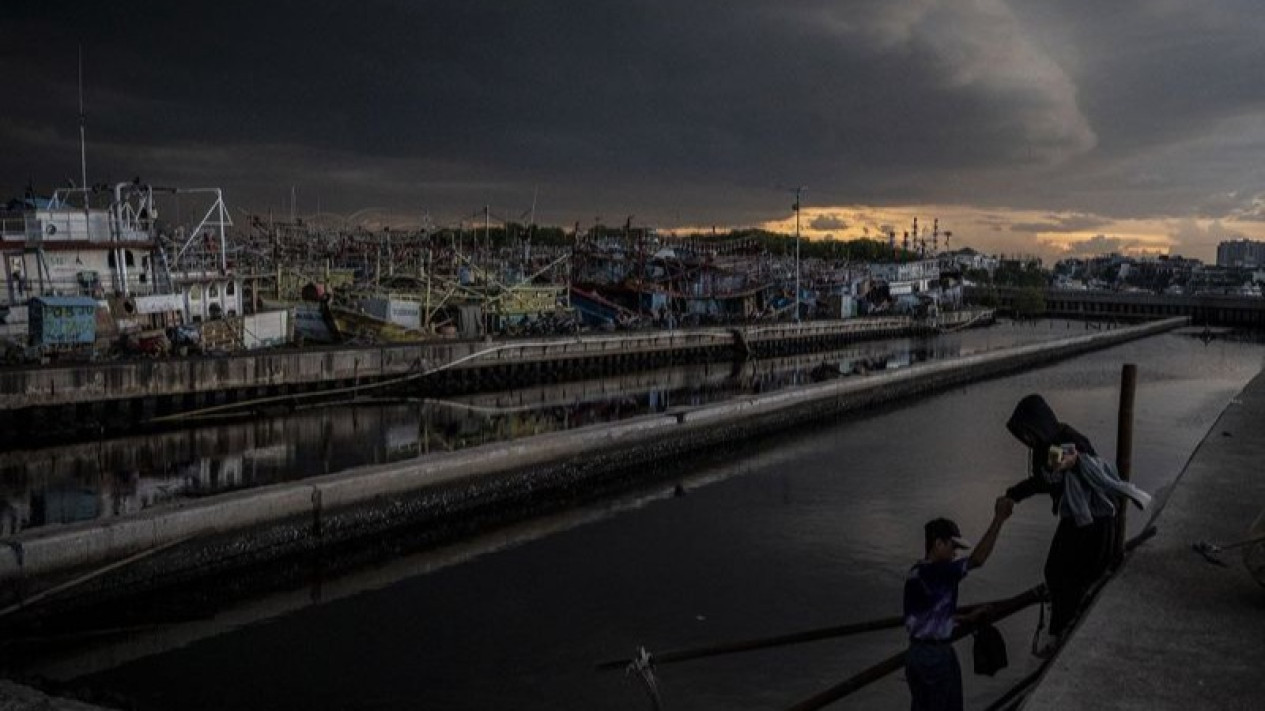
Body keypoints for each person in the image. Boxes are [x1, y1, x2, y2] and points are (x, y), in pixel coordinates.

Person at [1003, 393, 1148, 653]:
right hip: (1074, 520)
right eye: (1022, 435)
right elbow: (1043, 482)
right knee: (1056, 573)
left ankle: (1065, 629)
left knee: (1073, 576)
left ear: (1038, 425)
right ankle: (1061, 628)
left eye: (1027, 432)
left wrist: (1069, 460)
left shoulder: (1068, 439)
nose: (1025, 439)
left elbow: (1081, 462)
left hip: (1094, 521)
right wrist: (1013, 494)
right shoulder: (1041, 450)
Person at [904, 498, 1014, 711]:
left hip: (923, 652)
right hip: (932, 658)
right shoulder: (935, 572)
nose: (954, 553)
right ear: (938, 544)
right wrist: (999, 519)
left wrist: (966, 618)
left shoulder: (917, 573)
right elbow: (977, 560)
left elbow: (930, 617)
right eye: (952, 547)